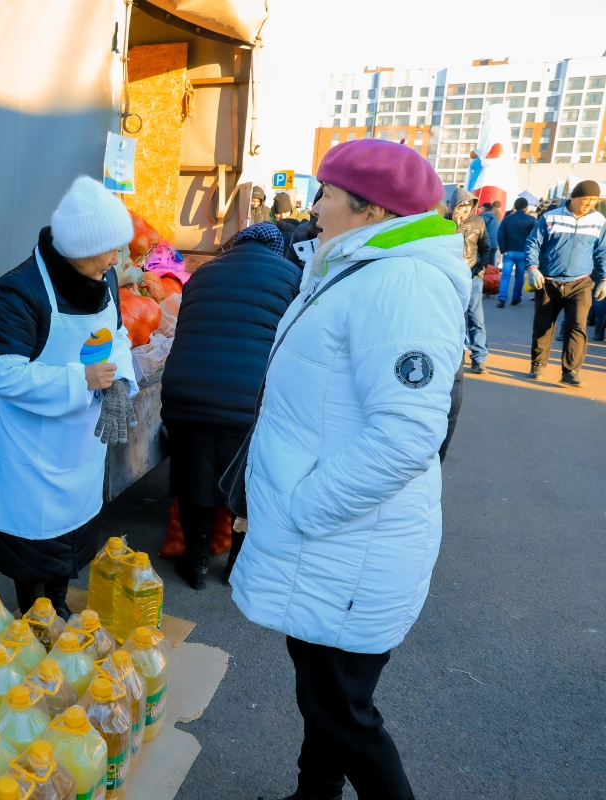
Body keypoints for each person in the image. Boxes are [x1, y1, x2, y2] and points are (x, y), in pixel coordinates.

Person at [231, 139, 468, 800]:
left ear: (369, 210)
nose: (312, 209)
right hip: (340, 546)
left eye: (326, 195)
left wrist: (300, 509)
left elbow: (406, 434)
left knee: (344, 713)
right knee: (327, 701)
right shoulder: (362, 267)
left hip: (346, 544)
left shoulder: (401, 283)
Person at [0, 176, 138, 618]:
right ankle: (35, 617)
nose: (116, 261)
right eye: (109, 250)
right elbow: (3, 373)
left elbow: (118, 336)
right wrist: (82, 379)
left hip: (81, 442)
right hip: (34, 448)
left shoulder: (104, 279)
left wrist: (121, 383)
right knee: (34, 542)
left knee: (73, 534)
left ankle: (58, 605)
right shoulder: (21, 288)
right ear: (79, 247)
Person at [160, 222, 299, 589]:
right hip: (246, 400)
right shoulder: (289, 275)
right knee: (246, 484)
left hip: (186, 393)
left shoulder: (204, 272)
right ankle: (236, 566)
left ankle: (197, 565)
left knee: (194, 480)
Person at [523, 180, 606, 387]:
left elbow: (602, 252)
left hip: (580, 283)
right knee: (543, 325)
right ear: (574, 198)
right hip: (548, 282)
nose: (590, 204)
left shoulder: (599, 221)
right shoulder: (551, 217)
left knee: (577, 326)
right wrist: (532, 268)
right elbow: (533, 242)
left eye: (594, 200)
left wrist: (604, 279)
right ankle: (538, 364)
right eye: (586, 199)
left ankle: (571, 371)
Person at [449, 189, 491, 374]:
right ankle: (456, 356)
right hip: (450, 275)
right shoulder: (444, 222)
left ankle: (479, 357)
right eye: (461, 206)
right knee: (454, 318)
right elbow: (448, 244)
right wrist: (455, 224)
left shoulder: (479, 222)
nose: (465, 211)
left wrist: (480, 270)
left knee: (476, 318)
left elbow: (485, 248)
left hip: (472, 276)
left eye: (468, 207)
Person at [496, 196, 536, 307]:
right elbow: (535, 237)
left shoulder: (507, 219)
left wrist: (503, 249)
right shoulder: (531, 220)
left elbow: (500, 235)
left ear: (515, 206)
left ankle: (502, 298)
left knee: (505, 276)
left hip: (509, 251)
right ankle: (516, 297)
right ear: (526, 207)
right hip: (523, 252)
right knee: (519, 276)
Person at [272, 191, 301, 260]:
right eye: (279, 213)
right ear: (274, 212)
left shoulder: (302, 220)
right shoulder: (268, 221)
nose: (282, 216)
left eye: (285, 213)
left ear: (290, 210)